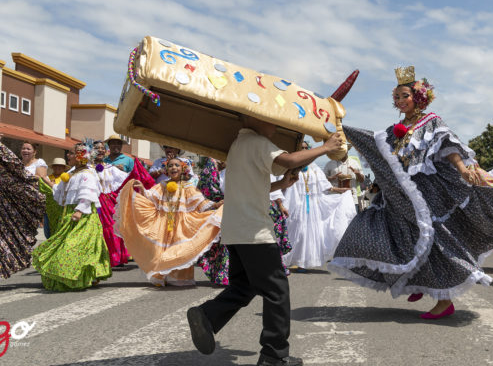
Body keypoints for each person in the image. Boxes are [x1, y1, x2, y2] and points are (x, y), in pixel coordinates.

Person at [328, 66, 493, 320]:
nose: (400, 101)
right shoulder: (395, 130)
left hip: (429, 194)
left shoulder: (431, 121)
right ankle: (418, 280)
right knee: (398, 236)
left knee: (436, 242)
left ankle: (444, 301)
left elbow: (448, 147)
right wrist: (343, 128)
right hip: (400, 197)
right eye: (397, 97)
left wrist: (462, 168)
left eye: (405, 96)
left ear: (418, 98)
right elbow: (378, 146)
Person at [187, 114, 343, 366]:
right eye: (272, 121)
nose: (276, 126)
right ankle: (274, 354)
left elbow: (251, 186)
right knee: (276, 291)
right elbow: (289, 159)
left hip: (236, 230)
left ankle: (208, 315)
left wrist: (281, 183)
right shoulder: (257, 142)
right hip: (254, 231)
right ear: (254, 119)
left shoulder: (239, 145)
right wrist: (326, 147)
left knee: (243, 286)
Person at [116, 157, 223, 286]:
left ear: (183, 169)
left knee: (179, 249)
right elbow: (151, 196)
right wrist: (142, 189)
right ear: (167, 170)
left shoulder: (188, 186)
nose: (174, 168)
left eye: (177, 165)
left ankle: (179, 278)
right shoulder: (163, 185)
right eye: (171, 165)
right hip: (163, 222)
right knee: (159, 250)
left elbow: (201, 203)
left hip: (182, 224)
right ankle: (160, 275)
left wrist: (216, 205)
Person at [32, 142, 112, 290]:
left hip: (83, 216)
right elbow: (58, 191)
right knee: (69, 245)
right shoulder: (71, 174)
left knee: (74, 246)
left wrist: (79, 210)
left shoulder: (87, 174)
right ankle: (76, 277)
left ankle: (78, 277)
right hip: (69, 214)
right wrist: (45, 181)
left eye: (70, 153)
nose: (68, 156)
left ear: (80, 156)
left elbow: (88, 194)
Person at [282, 142, 353, 270]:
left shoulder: (314, 169)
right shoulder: (290, 169)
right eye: (301, 148)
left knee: (310, 233)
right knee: (296, 231)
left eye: (306, 148)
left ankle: (303, 262)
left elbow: (326, 187)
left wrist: (341, 190)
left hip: (313, 208)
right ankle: (287, 259)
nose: (304, 150)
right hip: (296, 205)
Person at [0, 140, 45, 279]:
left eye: (28, 148)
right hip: (10, 199)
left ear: (34, 151)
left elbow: (41, 179)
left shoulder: (37, 163)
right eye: (23, 148)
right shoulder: (14, 165)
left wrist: (23, 177)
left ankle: (17, 256)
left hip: (26, 201)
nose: (25, 151)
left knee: (16, 232)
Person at [324, 147, 364, 213]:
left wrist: (358, 174)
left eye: (344, 149)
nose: (342, 151)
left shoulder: (354, 163)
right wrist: (330, 178)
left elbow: (362, 180)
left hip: (352, 199)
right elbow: (322, 181)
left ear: (347, 150)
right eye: (340, 149)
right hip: (334, 199)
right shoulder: (330, 164)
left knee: (351, 221)